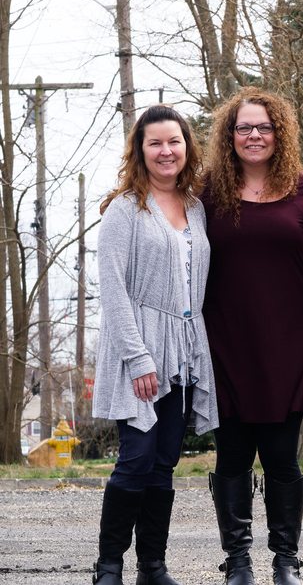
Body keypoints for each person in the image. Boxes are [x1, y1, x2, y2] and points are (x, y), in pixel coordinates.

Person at [202, 87, 303, 585]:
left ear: (279, 133)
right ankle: (238, 561)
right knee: (233, 455)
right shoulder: (208, 192)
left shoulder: (302, 190)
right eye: (244, 127)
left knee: (282, 456)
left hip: (289, 342)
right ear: (230, 135)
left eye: (264, 127)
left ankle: (286, 560)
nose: (255, 135)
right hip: (223, 342)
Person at [92, 105, 219, 585]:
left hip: (183, 350)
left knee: (164, 463)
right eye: (155, 143)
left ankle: (153, 566)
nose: (166, 151)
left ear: (187, 146)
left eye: (174, 141)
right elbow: (113, 288)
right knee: (136, 459)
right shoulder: (126, 208)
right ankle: (108, 567)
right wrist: (138, 356)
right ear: (140, 151)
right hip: (139, 348)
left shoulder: (196, 207)